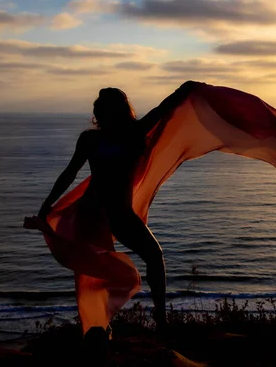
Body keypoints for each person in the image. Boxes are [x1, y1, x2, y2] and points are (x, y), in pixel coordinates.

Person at [37, 81, 201, 328]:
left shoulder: (132, 133)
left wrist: (184, 90)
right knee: (98, 273)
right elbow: (69, 173)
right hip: (93, 213)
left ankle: (155, 317)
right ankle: (101, 326)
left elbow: (164, 109)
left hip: (116, 213)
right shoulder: (97, 139)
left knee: (151, 257)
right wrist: (48, 203)